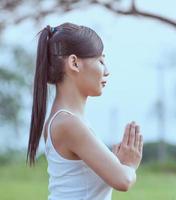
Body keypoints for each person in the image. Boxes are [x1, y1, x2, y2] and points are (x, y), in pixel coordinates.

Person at [26, 22, 143, 200]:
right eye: (100, 60)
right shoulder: (68, 123)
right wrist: (129, 164)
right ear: (74, 63)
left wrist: (117, 163)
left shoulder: (67, 121)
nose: (107, 71)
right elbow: (123, 180)